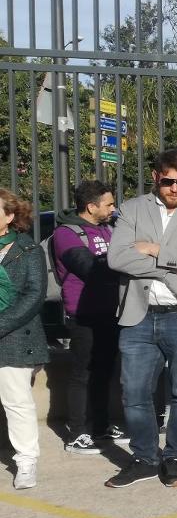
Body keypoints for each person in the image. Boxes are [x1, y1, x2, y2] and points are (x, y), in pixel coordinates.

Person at [106, 149, 177, 489]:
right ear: (156, 177)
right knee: (134, 392)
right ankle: (144, 457)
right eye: (168, 181)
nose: (174, 188)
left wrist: (154, 250)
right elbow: (117, 258)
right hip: (138, 315)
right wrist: (176, 266)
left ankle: (174, 456)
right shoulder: (132, 209)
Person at [51, 180, 127, 455]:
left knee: (104, 370)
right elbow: (86, 266)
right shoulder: (66, 233)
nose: (113, 208)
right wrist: (126, 259)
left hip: (111, 310)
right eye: (108, 204)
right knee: (83, 372)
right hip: (83, 313)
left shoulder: (107, 228)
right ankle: (77, 433)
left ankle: (101, 426)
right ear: (90, 206)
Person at [0, 188, 50, 490]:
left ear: (9, 216)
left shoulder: (27, 249)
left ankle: (26, 460)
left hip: (15, 336)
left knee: (16, 401)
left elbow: (34, 296)